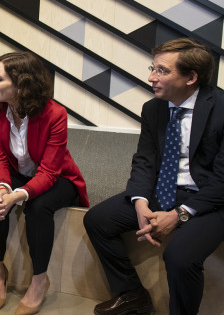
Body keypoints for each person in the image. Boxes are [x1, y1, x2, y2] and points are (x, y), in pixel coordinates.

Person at [84, 38, 224, 315]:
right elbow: (144, 161)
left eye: (162, 71)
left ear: (191, 77)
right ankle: (133, 294)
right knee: (97, 219)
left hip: (210, 199)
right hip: (164, 190)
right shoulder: (154, 108)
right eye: (153, 68)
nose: (151, 77)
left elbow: (223, 180)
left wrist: (180, 214)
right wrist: (139, 201)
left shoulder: (221, 108)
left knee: (180, 257)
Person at [0, 52, 88, 314]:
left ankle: (39, 280)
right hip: (17, 173)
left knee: (38, 207)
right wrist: (4, 189)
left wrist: (18, 195)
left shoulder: (55, 114)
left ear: (21, 84)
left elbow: (50, 172)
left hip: (58, 176)